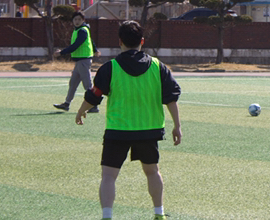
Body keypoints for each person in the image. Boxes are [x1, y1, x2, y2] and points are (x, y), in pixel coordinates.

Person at [75, 20, 181, 220]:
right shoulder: (159, 67)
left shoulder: (109, 68)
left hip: (118, 130)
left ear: (120, 41)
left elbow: (94, 95)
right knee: (152, 172)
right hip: (149, 129)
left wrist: (81, 111)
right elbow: (171, 98)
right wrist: (177, 126)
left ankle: (107, 216)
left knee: (108, 176)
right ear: (142, 41)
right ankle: (159, 213)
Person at [53, 11, 99, 113]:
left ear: (83, 20)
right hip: (79, 61)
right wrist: (95, 50)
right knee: (73, 83)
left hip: (84, 60)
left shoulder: (82, 30)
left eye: (79, 19)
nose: (77, 21)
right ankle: (67, 104)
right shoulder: (79, 30)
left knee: (87, 85)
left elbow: (76, 45)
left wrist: (62, 53)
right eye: (75, 19)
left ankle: (94, 105)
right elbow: (91, 41)